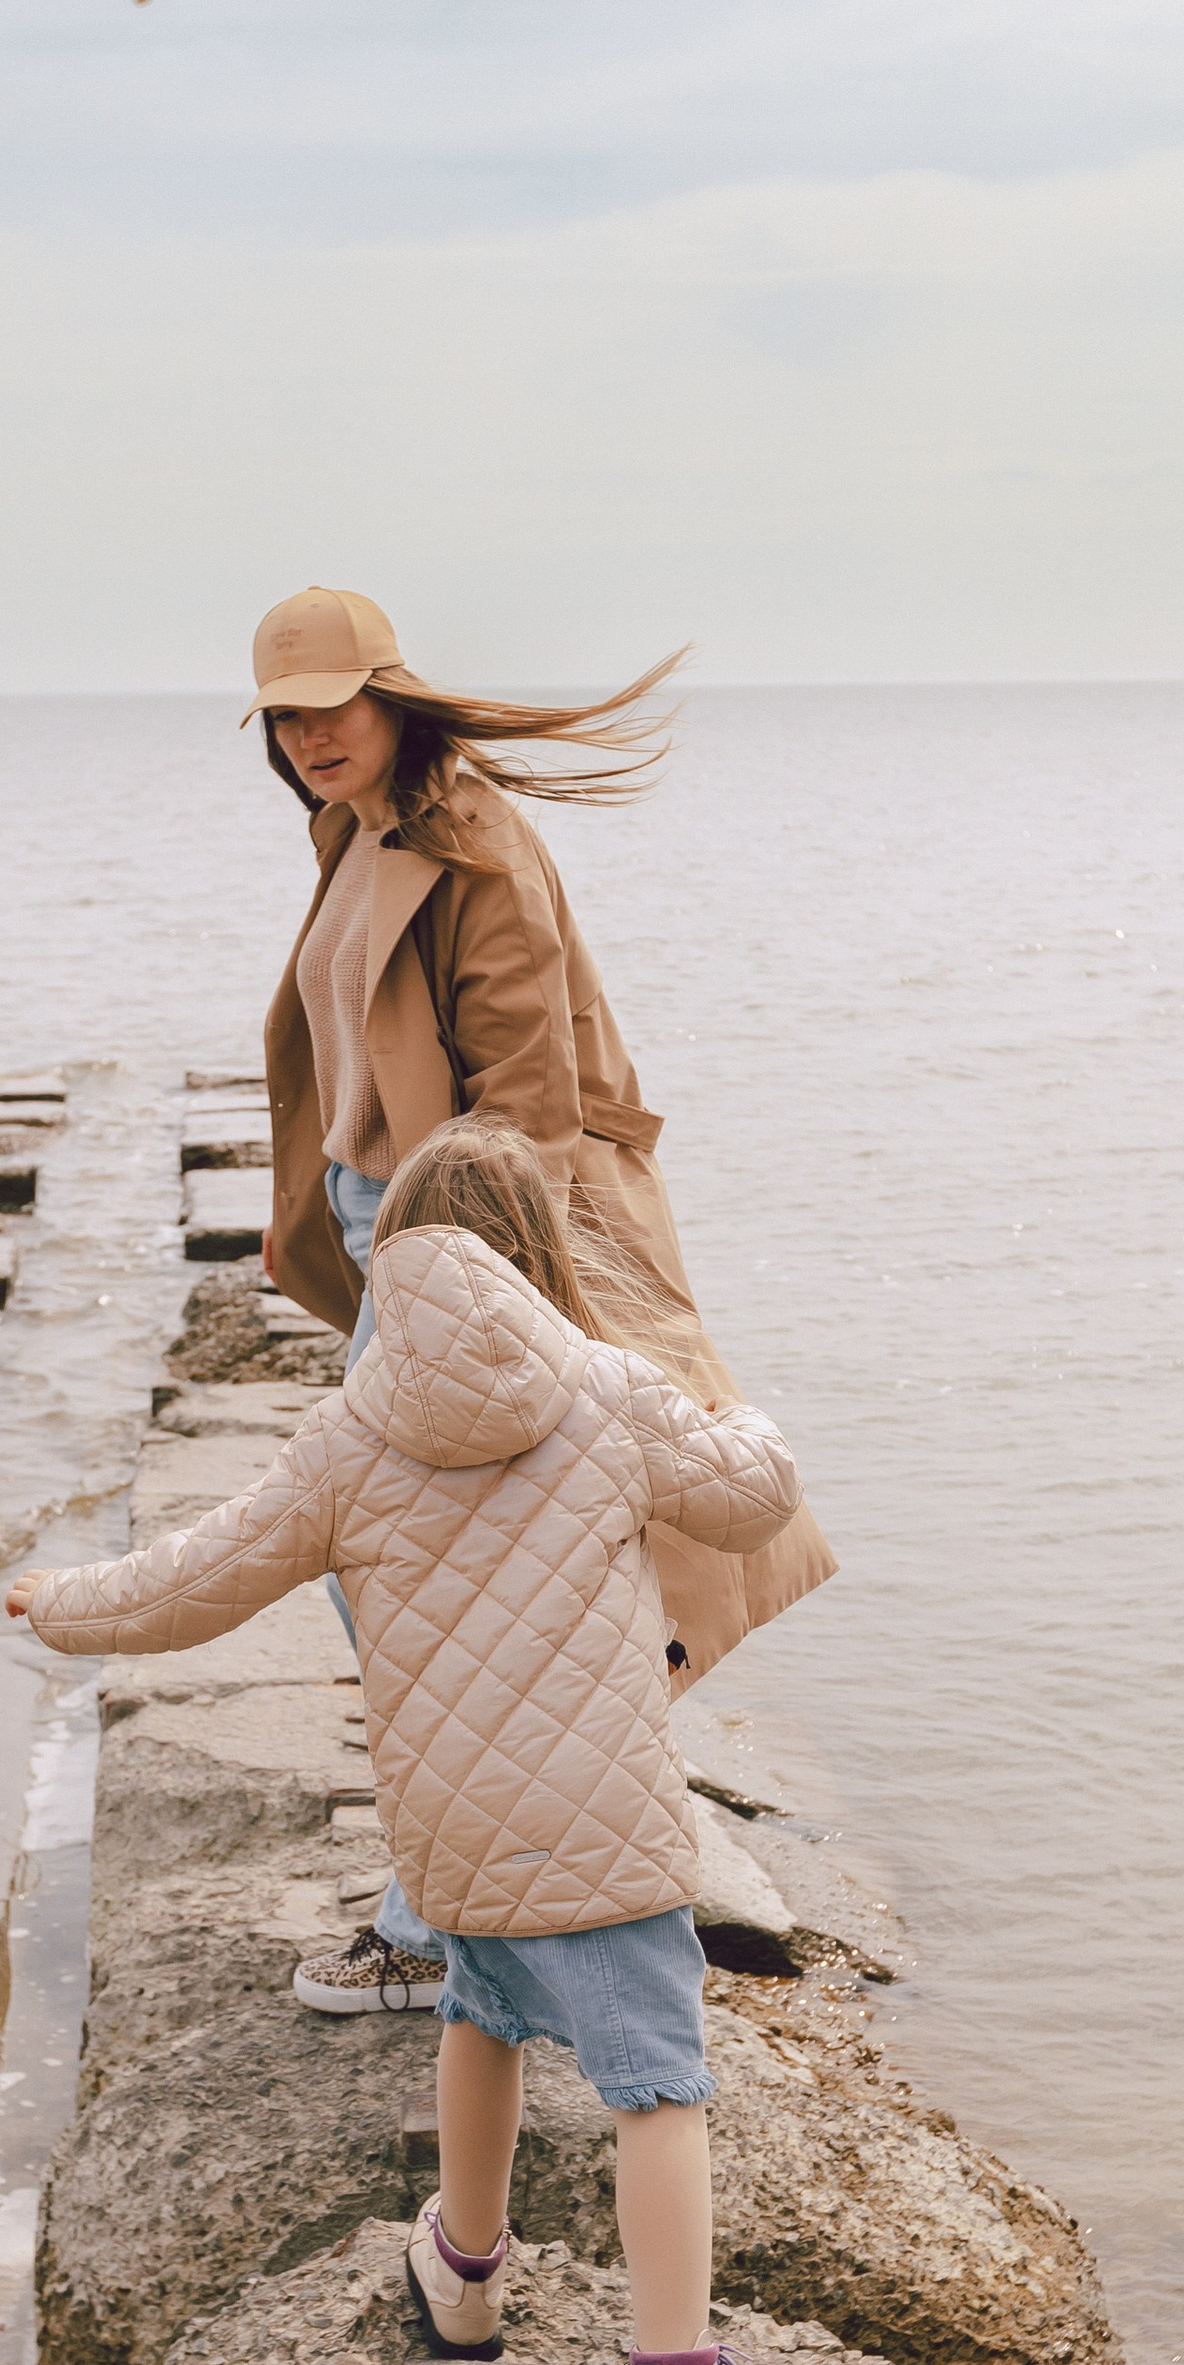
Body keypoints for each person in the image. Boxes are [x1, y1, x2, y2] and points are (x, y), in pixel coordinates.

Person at [9, 1118, 827, 2365]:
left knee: (484, 2008)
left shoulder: (347, 1434)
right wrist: (743, 1413)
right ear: (537, 1257)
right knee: (658, 2086)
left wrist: (59, 1603)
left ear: (389, 1266)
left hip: (451, 1823)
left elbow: (192, 1580)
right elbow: (755, 1499)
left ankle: (461, 2272)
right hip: (601, 1811)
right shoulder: (607, 1390)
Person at [240, 584, 836, 2021]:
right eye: (287, 714)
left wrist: (479, 1279)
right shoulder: (361, 826)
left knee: (395, 1564)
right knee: (424, 1568)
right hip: (384, 1218)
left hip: (459, 1229)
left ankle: (446, 1910)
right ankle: (497, 1863)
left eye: (337, 703)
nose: (316, 734)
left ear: (393, 694)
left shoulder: (470, 839)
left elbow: (532, 1099)